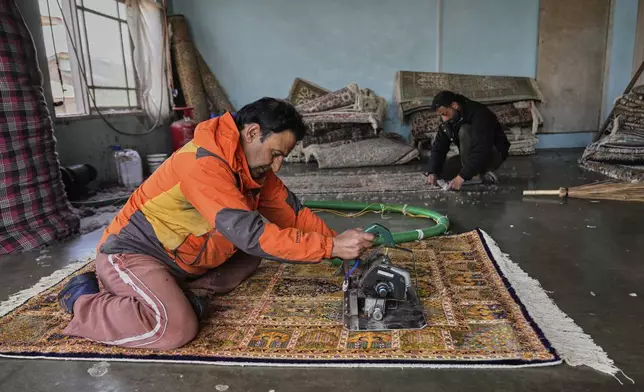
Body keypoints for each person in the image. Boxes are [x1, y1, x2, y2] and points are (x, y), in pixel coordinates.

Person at [57, 98, 374, 350]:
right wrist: (331, 247)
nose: (278, 165)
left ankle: (186, 296)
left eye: (283, 158)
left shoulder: (253, 168)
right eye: (275, 154)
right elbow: (250, 234)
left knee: (257, 253)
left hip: (184, 259)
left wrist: (340, 243)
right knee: (174, 328)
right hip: (133, 253)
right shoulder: (203, 164)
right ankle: (81, 300)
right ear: (251, 133)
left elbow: (294, 216)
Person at [425, 91, 510, 191]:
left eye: (445, 113)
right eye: (441, 115)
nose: (444, 119)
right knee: (443, 172)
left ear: (454, 105)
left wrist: (461, 177)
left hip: (492, 154)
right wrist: (432, 172)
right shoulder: (450, 121)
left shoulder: (479, 114)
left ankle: (477, 175)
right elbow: (438, 148)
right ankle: (482, 173)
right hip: (472, 155)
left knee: (465, 131)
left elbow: (482, 148)